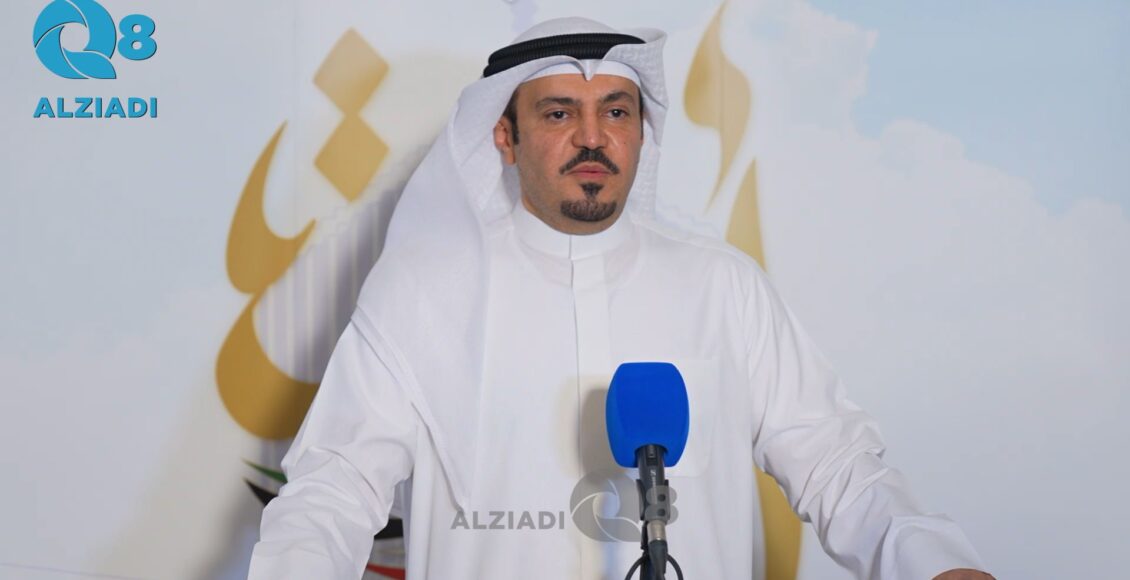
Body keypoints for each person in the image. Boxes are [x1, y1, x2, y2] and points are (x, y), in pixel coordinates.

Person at [248, 17, 993, 580]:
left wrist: (936, 565)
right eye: (557, 113)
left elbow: (836, 465)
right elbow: (335, 485)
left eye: (616, 111)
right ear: (504, 137)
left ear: (641, 132)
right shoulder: (426, 293)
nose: (592, 137)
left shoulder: (721, 286)